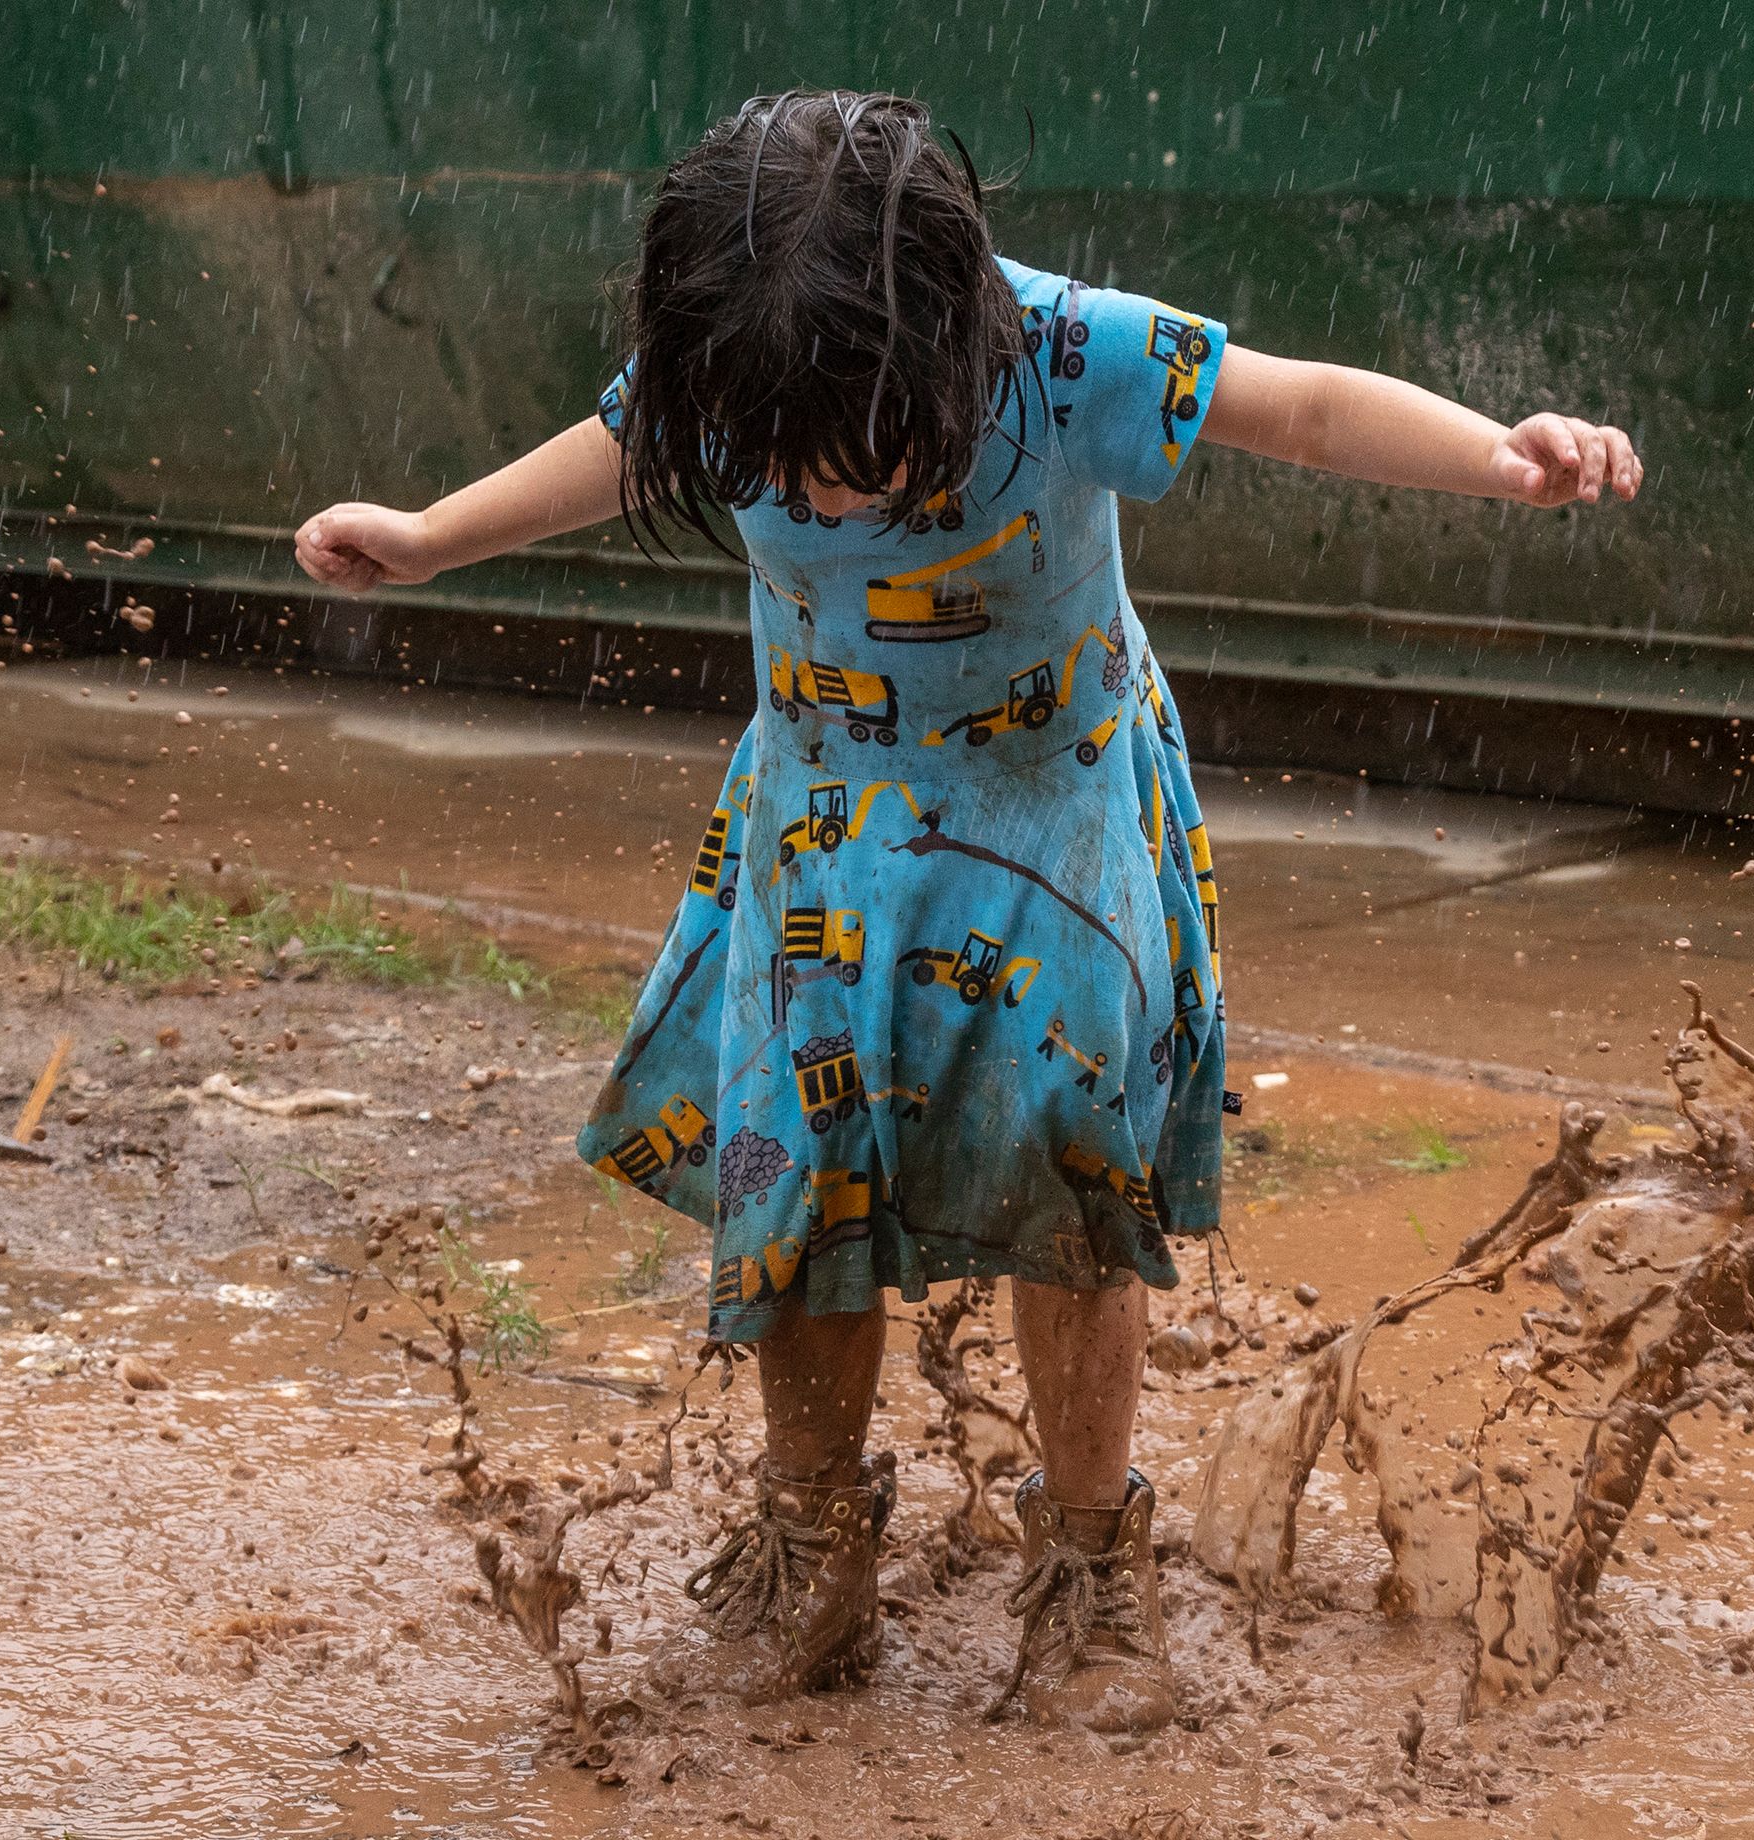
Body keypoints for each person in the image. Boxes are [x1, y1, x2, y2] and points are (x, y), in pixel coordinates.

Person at [294, 88, 1640, 1735]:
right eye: (775, 464)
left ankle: (1090, 1573)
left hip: (1052, 811)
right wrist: (432, 538)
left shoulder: (1064, 351)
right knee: (796, 1178)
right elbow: (620, 445)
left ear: (947, 336)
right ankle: (812, 1553)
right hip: (822, 823)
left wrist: (1498, 457)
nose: (817, 499)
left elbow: (1296, 404)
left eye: (855, 454)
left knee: (1068, 1170)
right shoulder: (735, 365)